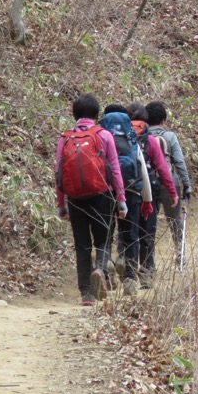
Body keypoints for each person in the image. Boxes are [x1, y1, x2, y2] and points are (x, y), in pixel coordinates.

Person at [55, 94, 127, 306]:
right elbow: (114, 168)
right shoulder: (103, 135)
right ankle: (100, 270)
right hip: (101, 195)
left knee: (82, 244)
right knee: (103, 240)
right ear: (96, 115)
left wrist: (62, 204)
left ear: (75, 114)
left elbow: (58, 172)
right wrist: (121, 199)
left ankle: (86, 292)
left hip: (75, 198)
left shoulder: (65, 138)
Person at [101, 103, 179, 296]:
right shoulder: (147, 139)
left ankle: (110, 266)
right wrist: (171, 192)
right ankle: (138, 275)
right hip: (138, 190)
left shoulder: (104, 136)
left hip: (105, 191)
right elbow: (160, 168)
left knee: (110, 233)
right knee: (140, 233)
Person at [145, 101, 192, 270]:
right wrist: (187, 185)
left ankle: (149, 262)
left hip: (147, 183)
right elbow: (179, 162)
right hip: (170, 183)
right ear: (164, 119)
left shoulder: (141, 136)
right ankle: (180, 255)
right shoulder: (170, 137)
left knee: (149, 223)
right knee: (175, 220)